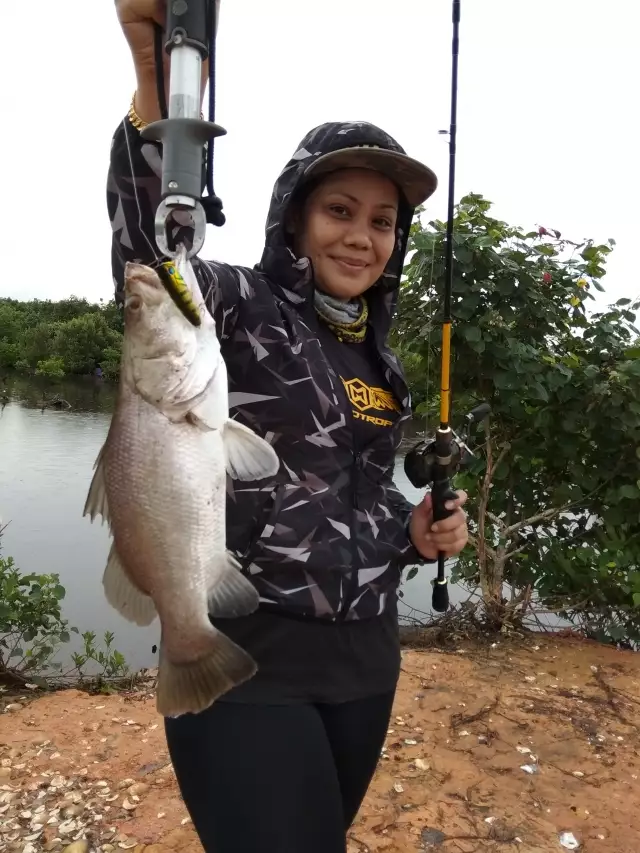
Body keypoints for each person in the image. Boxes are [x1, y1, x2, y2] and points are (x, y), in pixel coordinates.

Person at [111, 3, 470, 851]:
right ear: (296, 214)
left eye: (382, 221)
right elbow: (151, 249)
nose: (362, 236)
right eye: (341, 209)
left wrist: (414, 537)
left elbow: (353, 495)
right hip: (243, 650)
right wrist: (151, 76)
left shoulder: (383, 360)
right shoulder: (235, 304)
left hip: (366, 657)